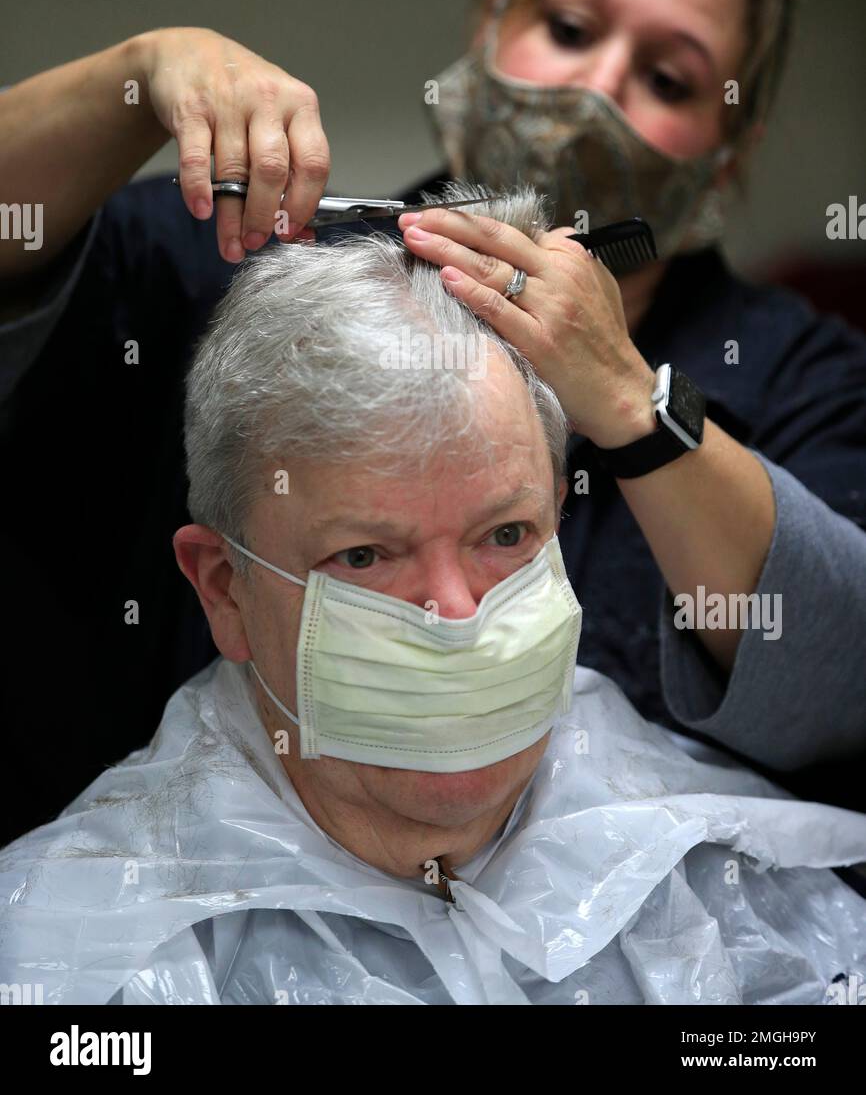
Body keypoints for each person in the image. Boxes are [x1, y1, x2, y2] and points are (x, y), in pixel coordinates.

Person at [1, 0, 864, 849]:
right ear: (491, 21)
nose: (594, 90)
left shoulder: (796, 380)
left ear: (729, 147)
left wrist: (629, 405)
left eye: (667, 79)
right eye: (571, 29)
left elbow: (841, 683)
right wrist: (137, 75)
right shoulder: (242, 262)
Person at [1, 190, 865, 1007]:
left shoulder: (716, 870)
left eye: (505, 537)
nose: (457, 614)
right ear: (224, 590)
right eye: (367, 554)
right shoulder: (83, 952)